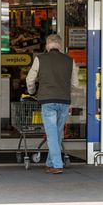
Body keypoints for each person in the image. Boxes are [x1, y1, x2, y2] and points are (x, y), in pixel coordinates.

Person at [26, 34, 79, 174]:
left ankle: (57, 164)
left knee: (52, 135)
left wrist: (32, 92)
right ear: (60, 46)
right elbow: (75, 84)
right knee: (57, 133)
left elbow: (29, 79)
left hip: (47, 101)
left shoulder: (40, 59)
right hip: (64, 101)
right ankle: (50, 163)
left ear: (47, 45)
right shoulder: (70, 60)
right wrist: (67, 91)